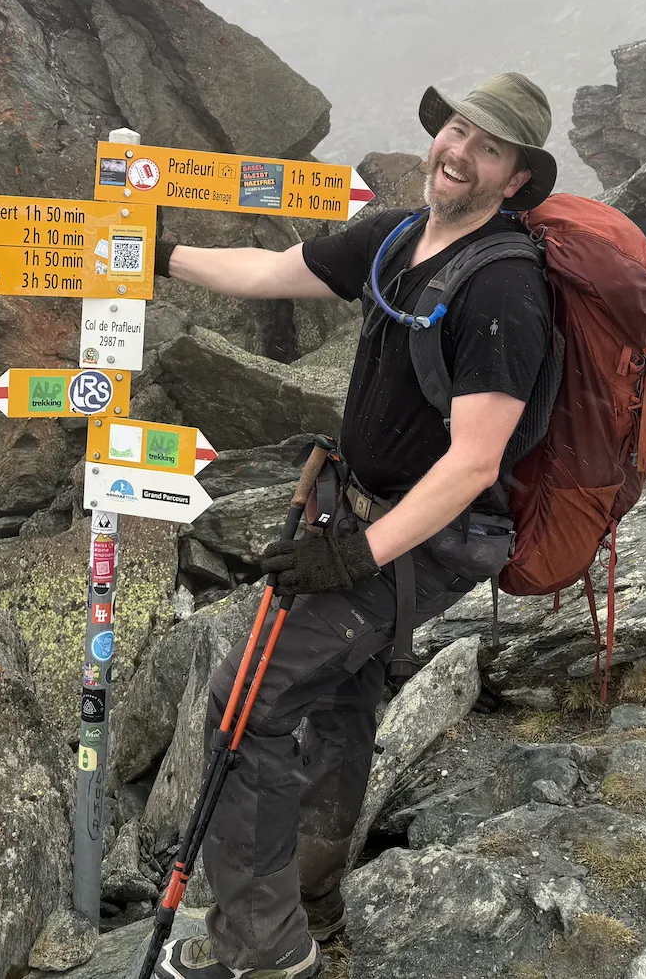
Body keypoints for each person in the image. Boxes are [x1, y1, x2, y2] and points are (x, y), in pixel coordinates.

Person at [152, 72, 559, 979]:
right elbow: (274, 272)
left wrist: (356, 556)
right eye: (455, 131)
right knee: (339, 703)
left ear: (516, 179)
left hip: (422, 539)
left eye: (487, 147)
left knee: (244, 705)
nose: (457, 152)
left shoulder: (503, 289)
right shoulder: (398, 238)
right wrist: (158, 251)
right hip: (359, 517)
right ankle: (311, 900)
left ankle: (263, 951)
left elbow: (474, 462)